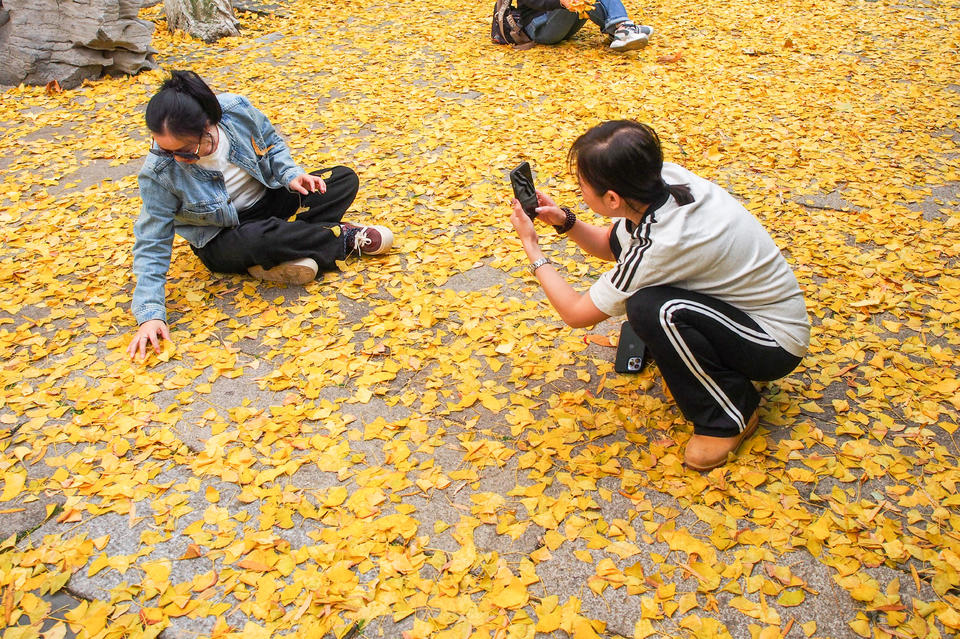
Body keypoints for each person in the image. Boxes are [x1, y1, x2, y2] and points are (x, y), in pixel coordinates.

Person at [509, 121, 810, 471]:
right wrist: (566, 221)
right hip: (739, 312)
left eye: (582, 185)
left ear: (611, 199)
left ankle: (730, 415)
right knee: (646, 305)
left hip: (772, 342)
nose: (578, 191)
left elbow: (576, 314)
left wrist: (531, 246)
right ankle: (701, 360)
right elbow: (613, 245)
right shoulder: (663, 183)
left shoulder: (662, 242)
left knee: (652, 309)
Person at [128, 70, 393, 360]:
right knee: (258, 239)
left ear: (209, 124)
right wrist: (150, 315)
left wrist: (291, 175)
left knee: (342, 179)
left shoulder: (235, 110)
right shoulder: (159, 173)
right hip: (225, 236)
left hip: (268, 203)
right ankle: (341, 237)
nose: (176, 159)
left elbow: (272, 143)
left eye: (185, 150)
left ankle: (282, 251)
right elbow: (152, 241)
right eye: (166, 151)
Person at [517, 0, 653, 51]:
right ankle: (621, 29)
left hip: (562, 23)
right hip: (540, 28)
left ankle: (621, 28)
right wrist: (560, 2)